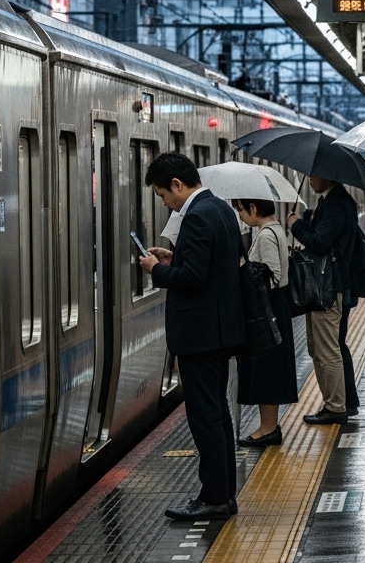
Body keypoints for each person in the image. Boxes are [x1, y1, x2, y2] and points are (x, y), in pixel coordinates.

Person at [138, 153, 244, 521]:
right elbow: (213, 266)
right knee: (217, 414)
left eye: (163, 195)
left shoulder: (196, 216)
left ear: (178, 185)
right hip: (218, 332)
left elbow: (194, 278)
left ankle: (214, 498)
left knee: (205, 418)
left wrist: (157, 270)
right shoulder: (221, 210)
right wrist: (174, 257)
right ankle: (223, 493)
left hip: (200, 335)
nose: (165, 202)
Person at [288, 176, 360, 424]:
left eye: (313, 175)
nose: (309, 180)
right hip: (328, 284)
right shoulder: (333, 201)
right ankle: (340, 402)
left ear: (328, 175)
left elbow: (321, 241)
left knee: (327, 349)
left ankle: (335, 407)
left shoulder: (337, 204)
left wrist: (297, 224)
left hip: (328, 287)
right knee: (321, 347)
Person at [233, 198, 298, 446]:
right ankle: (268, 426)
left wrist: (245, 269)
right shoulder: (275, 229)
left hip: (268, 307)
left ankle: (268, 429)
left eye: (241, 209)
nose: (240, 215)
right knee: (269, 368)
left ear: (253, 209)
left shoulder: (266, 235)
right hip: (274, 307)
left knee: (267, 369)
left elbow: (274, 275)